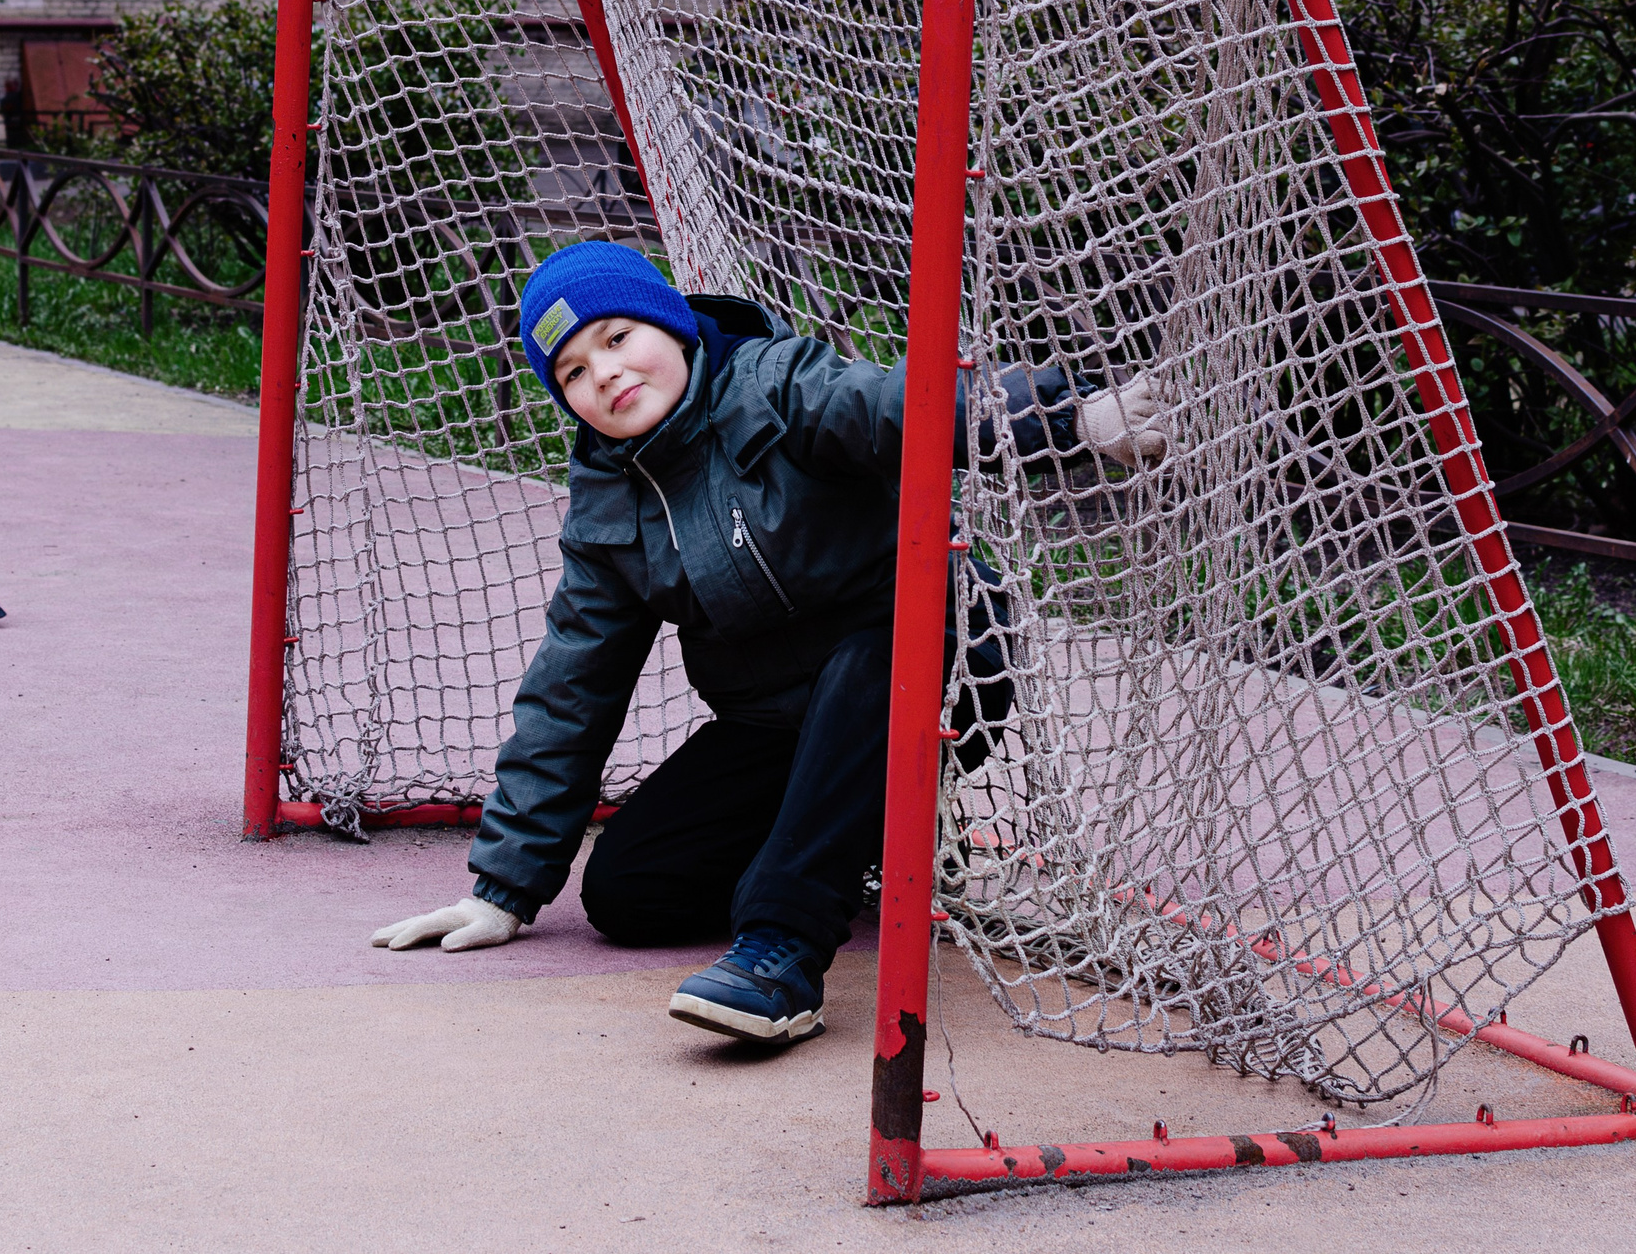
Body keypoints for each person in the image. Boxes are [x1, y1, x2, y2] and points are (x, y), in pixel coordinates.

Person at [370, 241, 1166, 1044]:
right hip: (782, 717)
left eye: (616, 338)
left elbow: (901, 404)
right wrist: (502, 888)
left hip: (934, 656)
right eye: (573, 371)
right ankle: (848, 832)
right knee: (627, 890)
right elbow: (571, 687)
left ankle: (780, 953)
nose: (603, 374)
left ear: (672, 324)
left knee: (870, 665)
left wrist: (1066, 416)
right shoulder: (608, 507)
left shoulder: (774, 385)